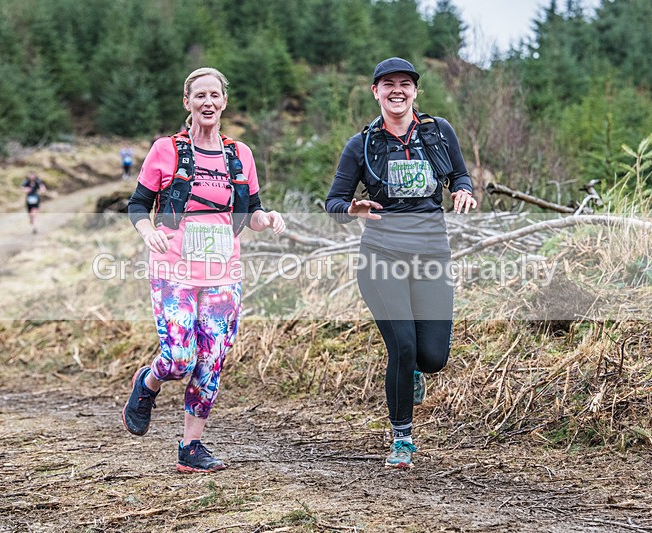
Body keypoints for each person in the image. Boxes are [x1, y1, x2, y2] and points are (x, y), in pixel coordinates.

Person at [123, 67, 286, 474]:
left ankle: (190, 447)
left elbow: (251, 212)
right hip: (173, 267)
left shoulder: (240, 154)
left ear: (224, 102)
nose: (208, 102)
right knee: (179, 358)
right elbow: (138, 204)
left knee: (211, 357)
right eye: (200, 96)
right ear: (187, 102)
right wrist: (147, 232)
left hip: (223, 272)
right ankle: (149, 382)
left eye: (215, 95)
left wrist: (267, 220)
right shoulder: (166, 150)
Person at [325, 57, 477, 469]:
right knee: (403, 346)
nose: (397, 90)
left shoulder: (438, 132)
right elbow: (333, 203)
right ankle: (402, 440)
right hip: (381, 258)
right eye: (388, 83)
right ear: (375, 91)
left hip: (431, 256)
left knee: (432, 357)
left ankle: (411, 372)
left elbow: (460, 176)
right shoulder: (362, 144)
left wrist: (463, 191)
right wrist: (351, 208)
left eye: (405, 84)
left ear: (415, 91)